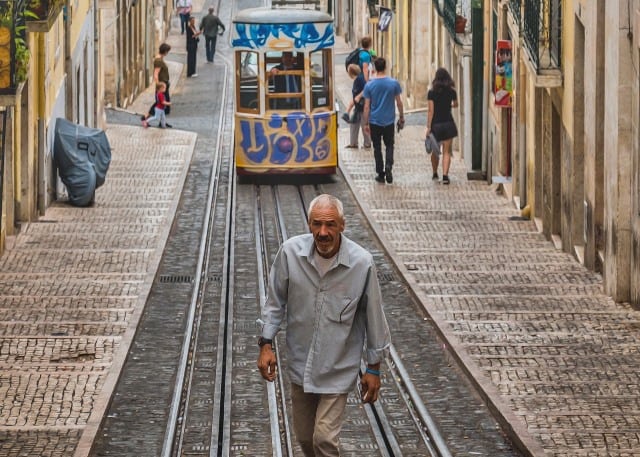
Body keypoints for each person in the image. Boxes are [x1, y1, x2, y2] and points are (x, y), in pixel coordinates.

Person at [257, 194, 391, 457]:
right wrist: (265, 344)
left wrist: (373, 368)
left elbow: (374, 315)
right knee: (306, 439)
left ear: (342, 225)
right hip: (300, 364)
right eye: (317, 224)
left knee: (324, 440)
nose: (323, 232)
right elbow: (275, 302)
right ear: (309, 224)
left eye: (330, 225)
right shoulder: (290, 253)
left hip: (338, 368)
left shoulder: (361, 263)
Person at [362, 57, 404, 184]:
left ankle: (381, 173)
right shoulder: (393, 83)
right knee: (390, 145)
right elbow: (399, 102)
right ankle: (389, 166)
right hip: (389, 121)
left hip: (375, 121)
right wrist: (401, 117)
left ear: (374, 68)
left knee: (377, 147)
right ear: (385, 67)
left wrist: (365, 123)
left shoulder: (369, 85)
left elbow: (367, 106)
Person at [426, 67, 458, 184]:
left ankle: (435, 173)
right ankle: (445, 176)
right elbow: (456, 104)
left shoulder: (431, 93)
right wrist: (449, 105)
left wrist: (428, 127)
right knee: (447, 151)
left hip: (436, 125)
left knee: (435, 151)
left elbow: (431, 111)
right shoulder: (452, 91)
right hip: (448, 123)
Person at [142, 43, 172, 126]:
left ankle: (162, 122)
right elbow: (156, 74)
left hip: (164, 85)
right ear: (165, 51)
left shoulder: (160, 59)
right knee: (161, 103)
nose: (167, 53)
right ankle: (146, 117)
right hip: (162, 86)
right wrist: (160, 87)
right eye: (167, 51)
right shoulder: (158, 61)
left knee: (161, 103)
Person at [344, 64, 371, 149]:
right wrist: (348, 110)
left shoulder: (359, 79)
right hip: (358, 106)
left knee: (364, 125)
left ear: (350, 73)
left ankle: (367, 143)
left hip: (363, 106)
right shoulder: (359, 78)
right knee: (353, 123)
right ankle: (353, 143)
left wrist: (359, 96)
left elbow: (366, 88)